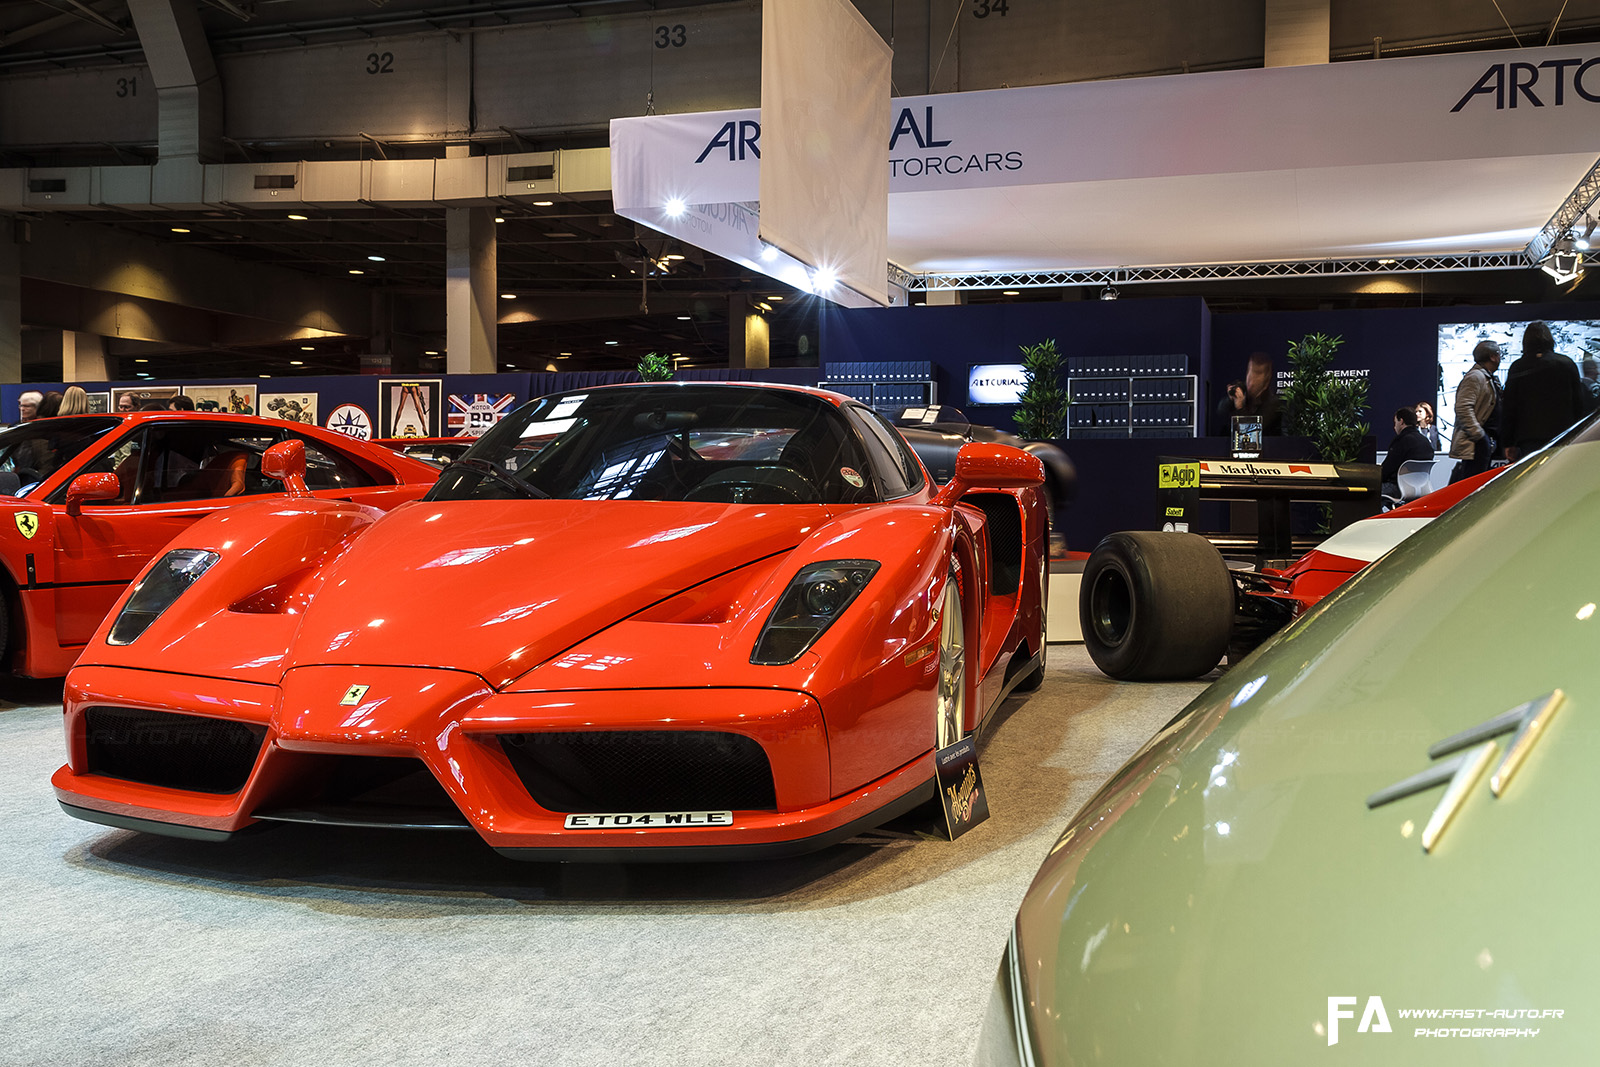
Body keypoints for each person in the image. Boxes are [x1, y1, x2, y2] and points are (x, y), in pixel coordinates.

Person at [1499, 321, 1589, 461]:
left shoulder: (1518, 367)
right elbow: (1578, 403)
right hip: (1563, 434)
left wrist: (1508, 442)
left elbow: (1510, 407)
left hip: (1529, 437)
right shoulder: (1567, 363)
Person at [1449, 340, 1501, 481]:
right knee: (1473, 485)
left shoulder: (1486, 377)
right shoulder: (1475, 377)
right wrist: (1479, 435)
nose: (1500, 357)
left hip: (1484, 444)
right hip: (1477, 446)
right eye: (1499, 354)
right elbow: (1463, 407)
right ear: (1493, 357)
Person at [1381, 406, 1433, 500]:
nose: (1394, 427)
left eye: (1395, 422)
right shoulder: (1426, 442)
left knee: (1369, 491)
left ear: (1401, 421)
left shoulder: (1401, 441)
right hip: (1423, 489)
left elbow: (1386, 470)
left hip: (1398, 488)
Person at [1240, 353, 1283, 435]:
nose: (1251, 378)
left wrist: (1240, 408)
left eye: (1257, 373)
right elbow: (1221, 409)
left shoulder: (1273, 403)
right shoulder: (1243, 393)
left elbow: (1252, 431)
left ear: (1267, 377)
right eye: (1250, 371)